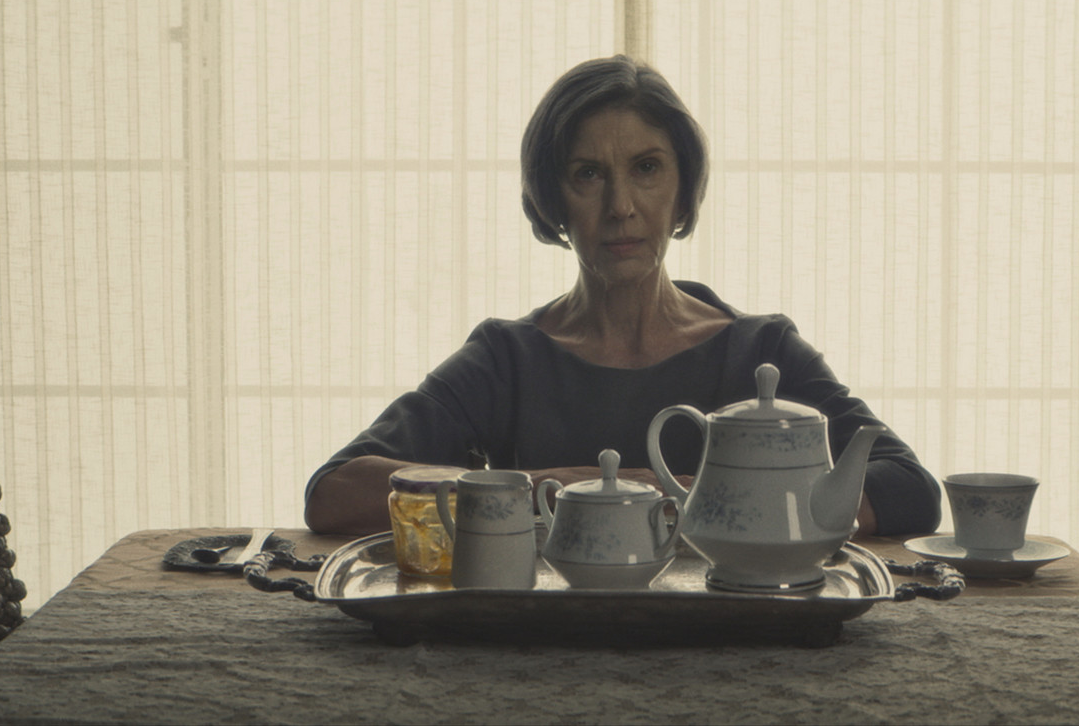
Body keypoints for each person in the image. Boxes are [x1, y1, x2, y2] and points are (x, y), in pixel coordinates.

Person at [304, 55, 941, 537]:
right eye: (588, 174)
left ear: (683, 190)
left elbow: (909, 490)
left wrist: (688, 497)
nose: (621, 207)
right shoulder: (508, 357)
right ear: (552, 200)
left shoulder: (760, 349)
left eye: (646, 168)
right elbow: (334, 492)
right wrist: (557, 487)